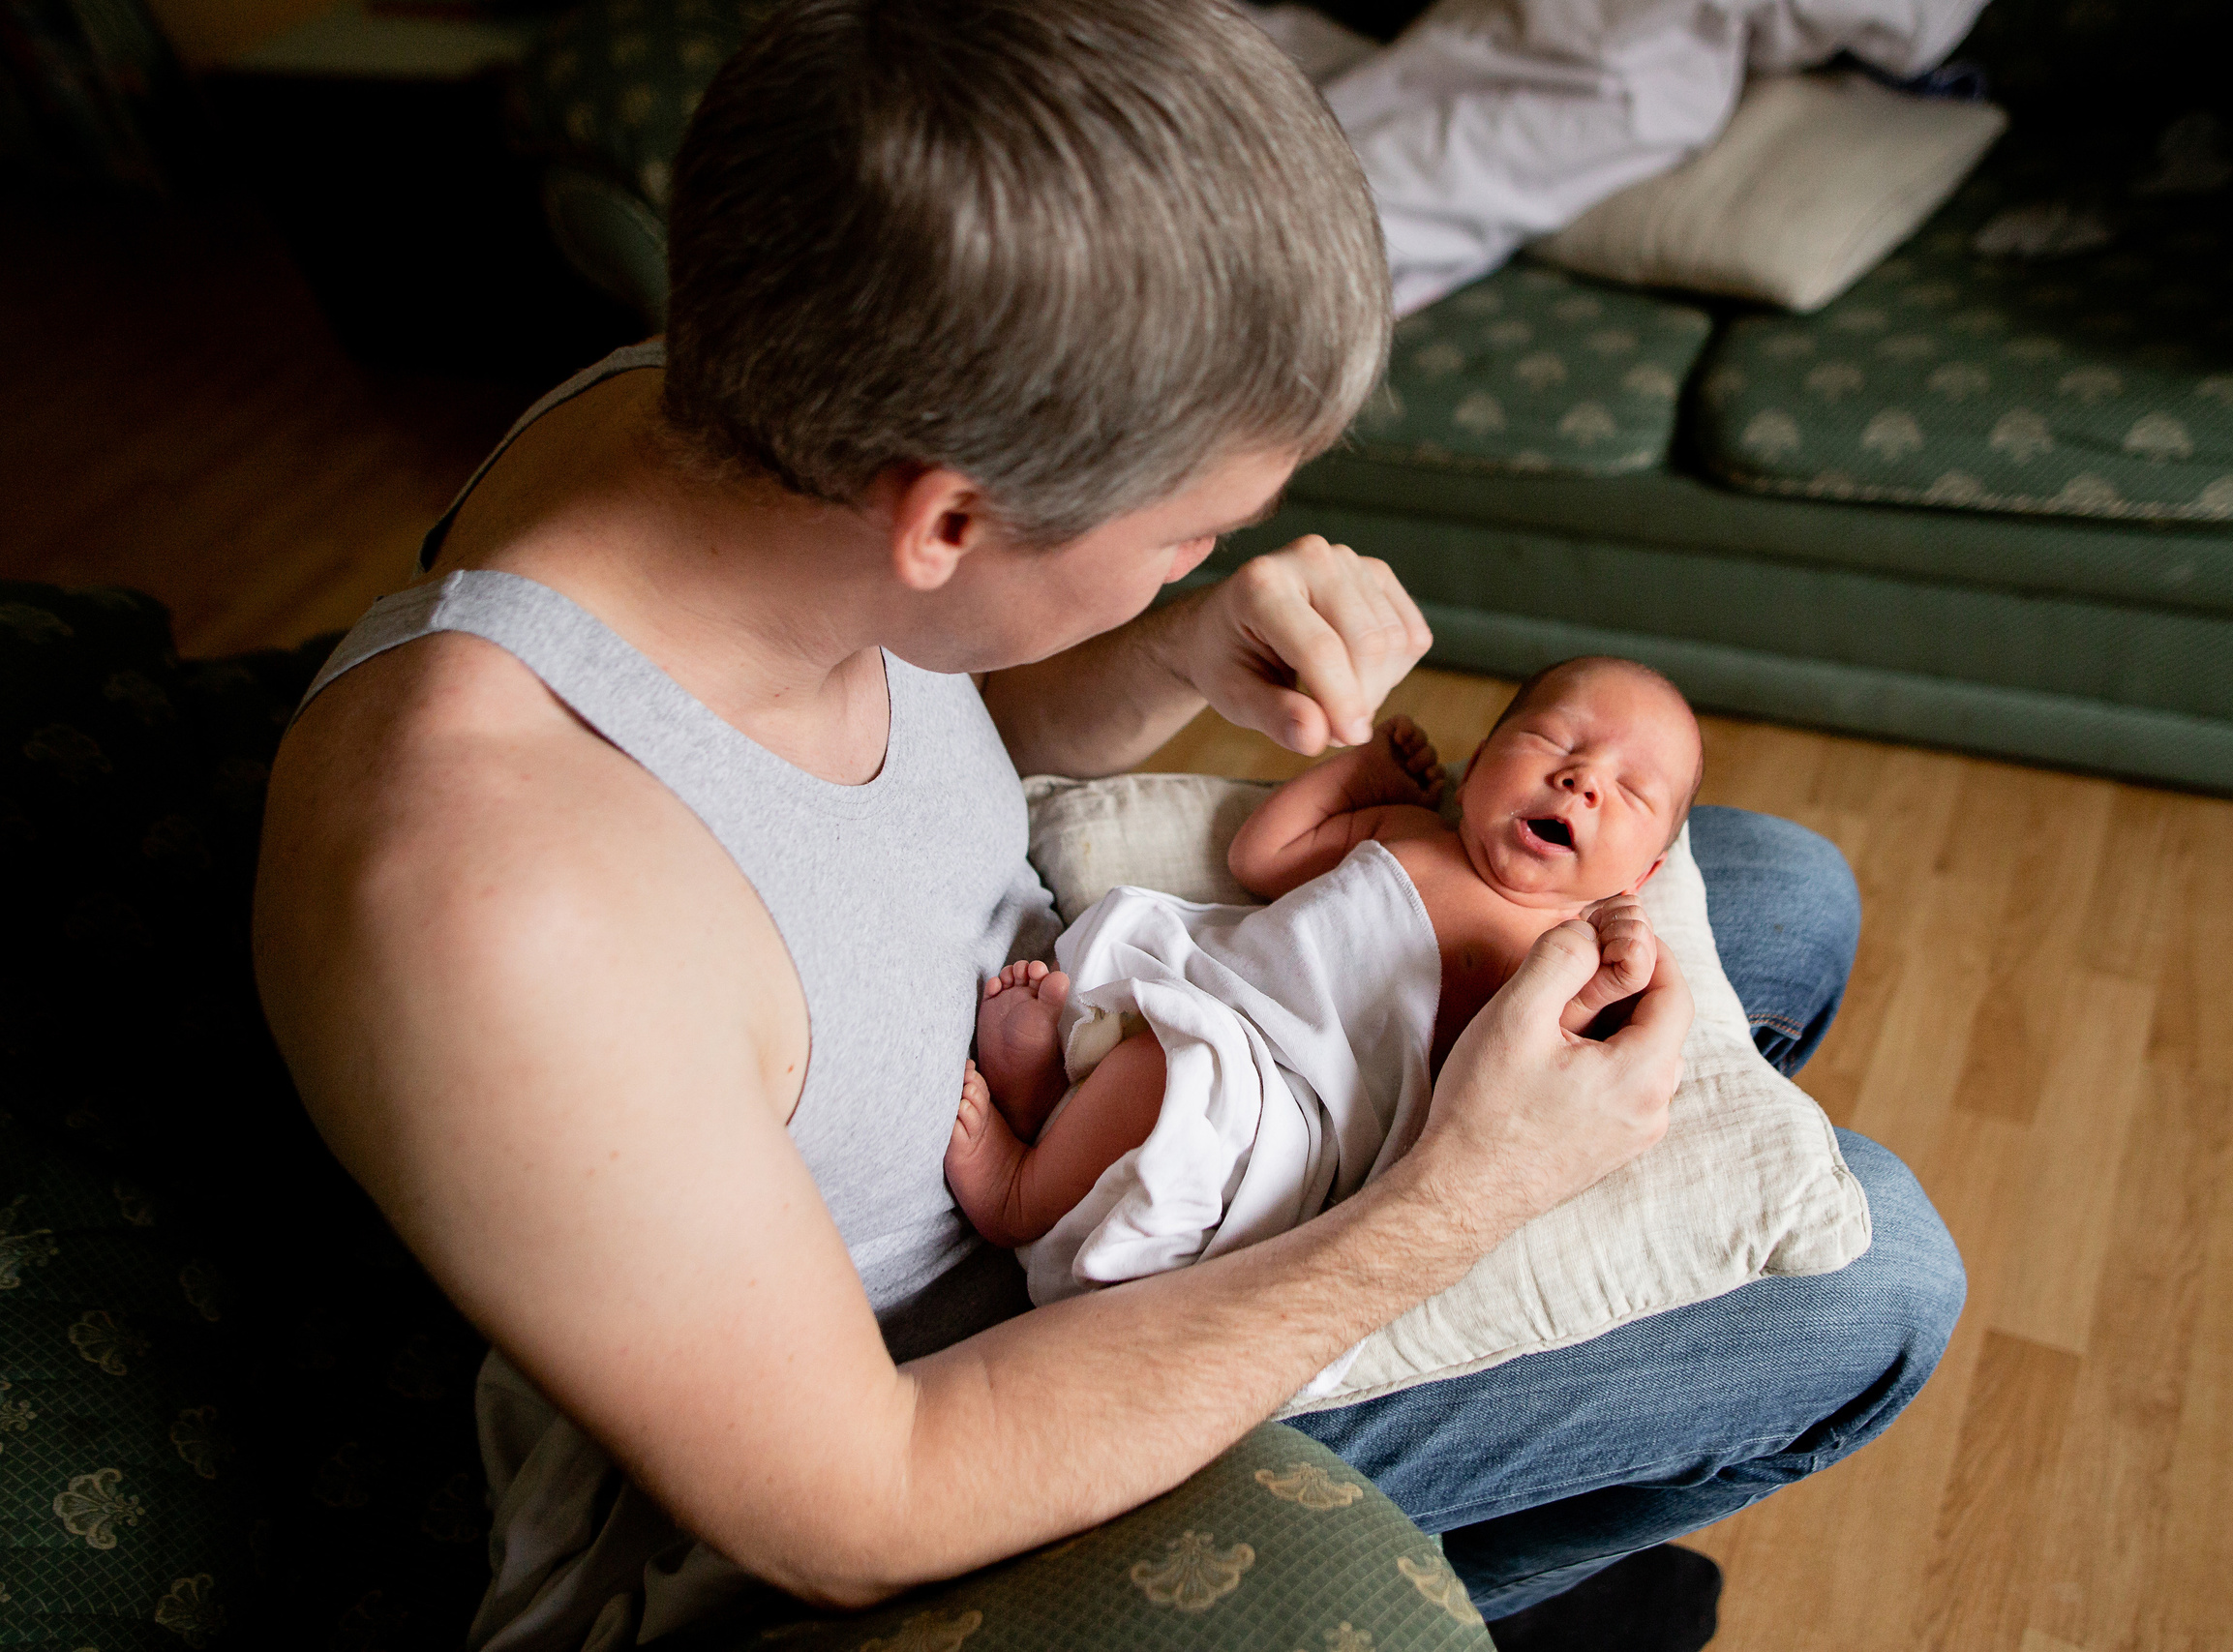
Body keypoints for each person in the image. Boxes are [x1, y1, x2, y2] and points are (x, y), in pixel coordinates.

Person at [251, 3, 1965, 1647]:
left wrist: (1167, 647)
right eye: (1182, 536)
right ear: (950, 515)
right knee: (1875, 1270)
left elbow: (883, 787)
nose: (1200, 560)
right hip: (979, 1384)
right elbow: (857, 1510)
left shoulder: (722, 405)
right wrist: (1460, 1196)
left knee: (1781, 897)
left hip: (1098, 1022)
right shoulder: (502, 904)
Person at [945, 659, 1703, 1258]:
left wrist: (1610, 979)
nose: (1584, 779)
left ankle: (1021, 1194)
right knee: (1140, 1021)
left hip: (1295, 1093)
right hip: (1212, 984)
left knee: (1177, 1071)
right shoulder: (1405, 827)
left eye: (1632, 791)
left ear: (1642, 877)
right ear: (1472, 772)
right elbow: (1261, 855)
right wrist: (1360, 773)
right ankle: (1053, 1092)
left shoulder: (1561, 948)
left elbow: (1531, 1060)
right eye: (1555, 741)